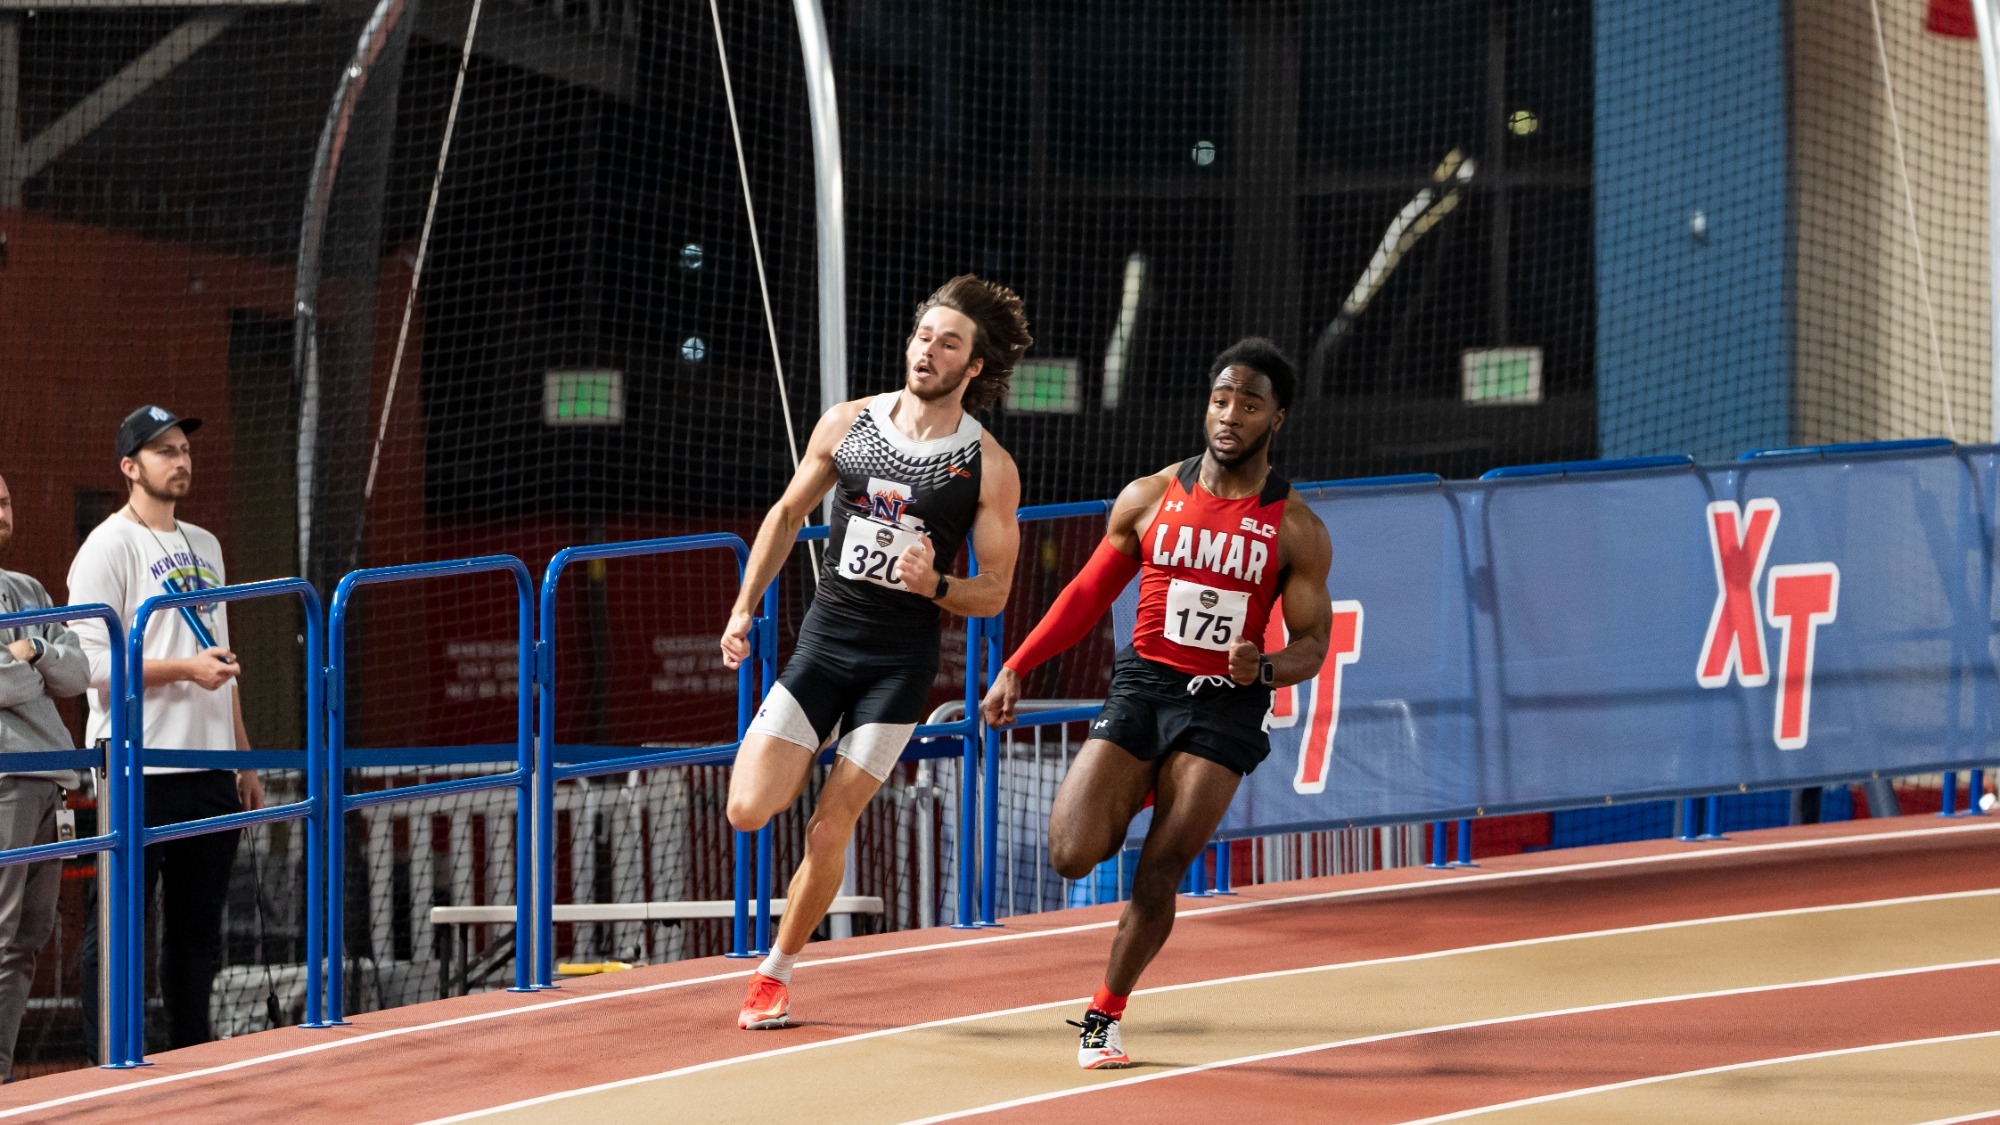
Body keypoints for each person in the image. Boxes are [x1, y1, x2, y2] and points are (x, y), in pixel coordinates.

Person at [981, 338, 1334, 1069]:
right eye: (1221, 397)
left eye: (1250, 402)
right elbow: (1084, 595)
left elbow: (1312, 643)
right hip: (1144, 686)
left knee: (1161, 867)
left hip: (1224, 705)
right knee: (1072, 852)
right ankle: (1143, 782)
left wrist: (1264, 666)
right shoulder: (1148, 497)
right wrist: (1018, 663)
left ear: (1278, 418)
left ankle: (1103, 1014)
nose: (1231, 414)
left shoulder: (1295, 528)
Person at [720, 275, 1028, 1030]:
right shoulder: (848, 423)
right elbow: (788, 512)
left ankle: (775, 972)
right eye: (924, 335)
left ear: (975, 366)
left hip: (898, 666)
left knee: (831, 826)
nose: (928, 351)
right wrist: (743, 606)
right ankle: (802, 749)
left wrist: (937, 583)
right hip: (824, 646)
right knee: (748, 808)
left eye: (948, 343)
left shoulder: (987, 467)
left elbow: (993, 592)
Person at [72, 406, 262, 1058]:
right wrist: (183, 668)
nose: (181, 459)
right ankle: (111, 1060)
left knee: (197, 931)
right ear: (130, 467)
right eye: (164, 451)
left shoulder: (205, 543)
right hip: (137, 764)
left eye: (184, 448)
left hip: (209, 765)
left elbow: (225, 657)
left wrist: (244, 756)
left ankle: (192, 1061)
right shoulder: (106, 546)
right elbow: (89, 668)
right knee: (120, 928)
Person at [0, 475, 90, 1080]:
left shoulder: (28, 588)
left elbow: (78, 670)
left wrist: (29, 651)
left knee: (28, 939)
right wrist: (33, 669)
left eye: (5, 498)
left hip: (49, 779)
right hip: (5, 780)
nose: (1, 509)